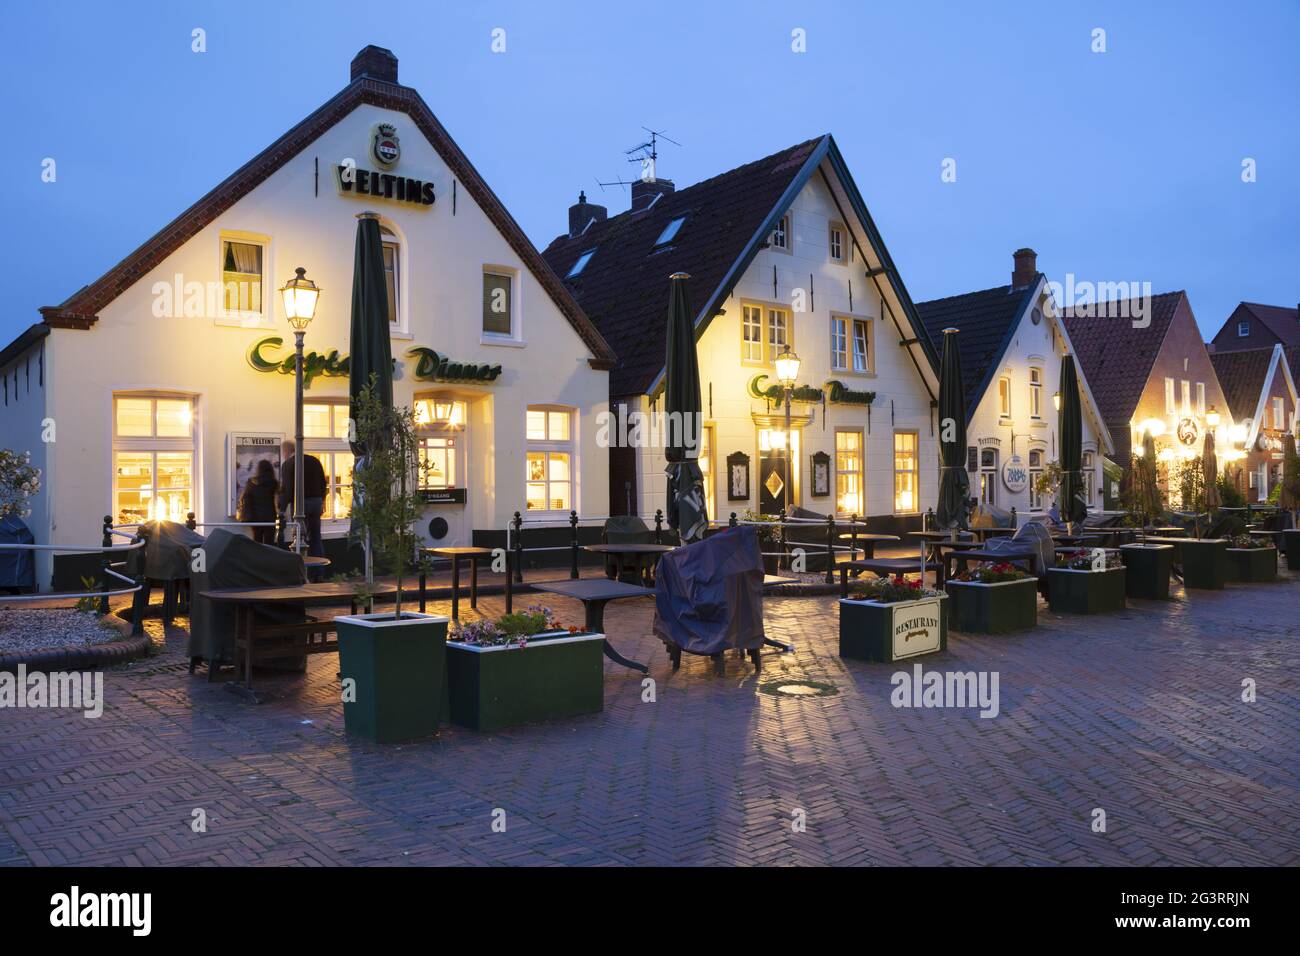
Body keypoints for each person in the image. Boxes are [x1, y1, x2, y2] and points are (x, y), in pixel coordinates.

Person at [279, 439, 328, 578]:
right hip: (316, 502)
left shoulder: (288, 464)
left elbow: (287, 490)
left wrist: (282, 509)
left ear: (286, 451)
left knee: (299, 539)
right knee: (316, 538)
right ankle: (318, 573)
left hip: (301, 505)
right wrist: (322, 500)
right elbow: (323, 483)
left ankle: (302, 574)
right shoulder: (314, 461)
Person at [238, 459, 279, 545]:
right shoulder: (274, 483)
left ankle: (257, 558)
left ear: (258, 469)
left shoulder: (252, 482)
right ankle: (269, 558)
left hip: (255, 517)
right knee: (269, 542)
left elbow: (246, 497)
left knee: (257, 540)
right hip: (270, 516)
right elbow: (278, 498)